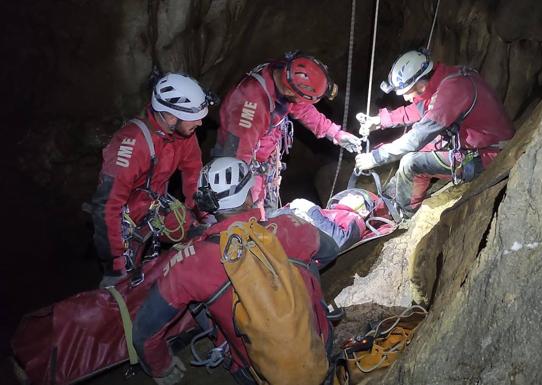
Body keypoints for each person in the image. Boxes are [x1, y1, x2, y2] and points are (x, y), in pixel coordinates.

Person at [133, 157, 338, 385]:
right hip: (320, 346)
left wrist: (162, 368)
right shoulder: (290, 227)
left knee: (199, 302)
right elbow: (330, 252)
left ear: (207, 205)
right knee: (305, 262)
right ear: (250, 195)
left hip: (255, 374)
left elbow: (144, 332)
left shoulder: (189, 263)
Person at [354, 50, 514, 217]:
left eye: (407, 93)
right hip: (480, 145)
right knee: (422, 149)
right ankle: (394, 194)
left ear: (421, 84)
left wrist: (376, 157)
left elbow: (417, 138)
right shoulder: (445, 79)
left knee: (412, 163)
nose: (407, 99)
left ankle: (404, 213)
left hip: (488, 156)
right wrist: (379, 121)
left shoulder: (453, 90)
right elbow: (417, 109)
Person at [91, 73, 215, 288]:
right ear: (170, 116)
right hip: (125, 223)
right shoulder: (131, 145)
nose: (200, 122)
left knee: (203, 236)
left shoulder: (184, 136)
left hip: (156, 209)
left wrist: (205, 218)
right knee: (125, 287)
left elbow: (193, 176)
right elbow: (107, 207)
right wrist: (115, 264)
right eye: (194, 116)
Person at [212, 51, 362, 217]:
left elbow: (302, 108)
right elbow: (237, 157)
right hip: (241, 165)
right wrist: (244, 197)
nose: (304, 103)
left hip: (264, 161)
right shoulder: (252, 106)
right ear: (290, 93)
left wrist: (335, 133)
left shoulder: (284, 74)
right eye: (302, 99)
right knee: (253, 220)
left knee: (267, 213)